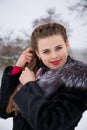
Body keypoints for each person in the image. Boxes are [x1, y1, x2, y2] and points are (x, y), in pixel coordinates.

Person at [0, 22, 87, 130]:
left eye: (58, 48)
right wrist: (17, 68)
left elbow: (50, 125)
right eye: (46, 51)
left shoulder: (78, 78)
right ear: (38, 53)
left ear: (67, 44)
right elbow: (4, 111)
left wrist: (29, 86)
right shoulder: (34, 71)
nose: (54, 56)